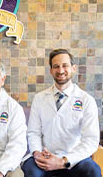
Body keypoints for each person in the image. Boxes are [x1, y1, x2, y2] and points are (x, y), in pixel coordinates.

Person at [22, 48, 101, 177]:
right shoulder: (39, 98)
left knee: (93, 171)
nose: (60, 70)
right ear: (51, 71)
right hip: (45, 156)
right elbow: (33, 132)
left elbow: (91, 140)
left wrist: (63, 161)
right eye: (56, 66)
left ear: (73, 68)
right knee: (31, 171)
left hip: (74, 159)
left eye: (65, 66)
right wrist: (37, 153)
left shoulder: (86, 100)